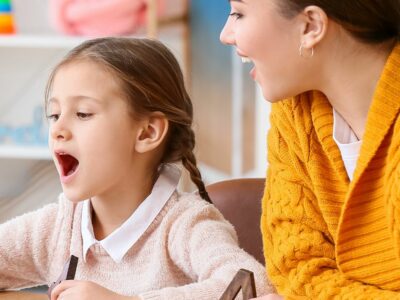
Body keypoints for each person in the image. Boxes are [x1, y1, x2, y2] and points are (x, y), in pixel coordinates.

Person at [0, 37, 274, 299]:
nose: (58, 129)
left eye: (83, 113)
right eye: (54, 114)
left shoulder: (184, 224)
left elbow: (250, 284)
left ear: (147, 133)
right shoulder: (60, 224)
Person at [220, 0, 400, 299]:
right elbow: (297, 269)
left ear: (311, 26)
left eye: (239, 13)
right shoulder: (296, 111)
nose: (225, 34)